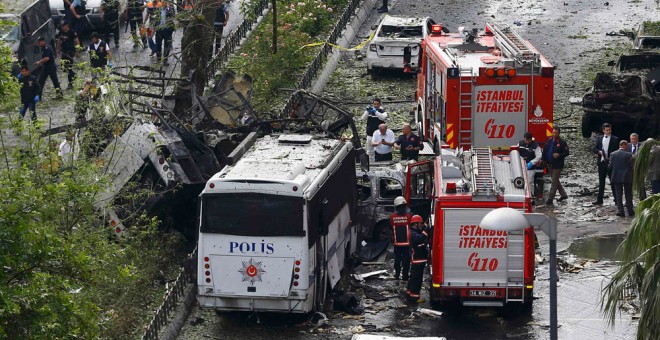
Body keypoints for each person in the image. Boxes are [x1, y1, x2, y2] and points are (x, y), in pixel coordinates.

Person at [593, 123, 619, 205]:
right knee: (601, 182)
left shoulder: (615, 139)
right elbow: (594, 149)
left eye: (609, 130)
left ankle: (616, 199)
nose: (608, 131)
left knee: (613, 181)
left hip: (611, 163)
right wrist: (599, 152)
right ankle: (599, 199)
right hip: (601, 162)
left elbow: (617, 150)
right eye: (606, 130)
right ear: (603, 130)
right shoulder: (599, 138)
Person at [543, 127, 569, 206]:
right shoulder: (549, 140)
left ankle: (550, 198)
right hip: (550, 163)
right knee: (555, 180)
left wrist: (559, 155)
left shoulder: (562, 142)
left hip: (558, 165)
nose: (554, 134)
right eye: (553, 132)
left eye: (556, 133)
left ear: (559, 133)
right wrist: (543, 160)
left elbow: (567, 153)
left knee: (554, 182)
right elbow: (545, 150)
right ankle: (563, 194)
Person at [406, 215, 428, 303]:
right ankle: (414, 298)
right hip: (417, 259)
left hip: (418, 259)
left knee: (413, 278)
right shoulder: (413, 233)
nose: (421, 225)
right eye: (420, 223)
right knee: (417, 279)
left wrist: (425, 227)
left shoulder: (414, 231)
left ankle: (409, 293)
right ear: (415, 224)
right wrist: (426, 231)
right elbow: (419, 238)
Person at [609, 140, 634, 217]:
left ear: (619, 146)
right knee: (628, 194)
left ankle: (620, 211)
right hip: (627, 176)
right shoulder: (629, 155)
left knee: (618, 194)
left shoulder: (613, 154)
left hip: (616, 176)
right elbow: (632, 166)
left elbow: (610, 167)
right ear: (625, 145)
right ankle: (630, 210)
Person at [390, 196, 411, 282]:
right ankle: (405, 277)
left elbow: (390, 229)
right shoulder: (409, 216)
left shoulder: (392, 217)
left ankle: (397, 275)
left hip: (397, 244)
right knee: (406, 261)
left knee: (397, 260)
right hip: (407, 244)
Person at [56, 21, 80, 89]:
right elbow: (59, 41)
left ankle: (70, 83)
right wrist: (57, 49)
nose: (62, 27)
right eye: (62, 26)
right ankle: (74, 75)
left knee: (69, 67)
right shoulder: (61, 32)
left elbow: (77, 41)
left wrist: (78, 51)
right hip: (64, 51)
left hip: (70, 51)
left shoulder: (72, 32)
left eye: (63, 26)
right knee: (63, 67)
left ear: (67, 25)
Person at [154, 0, 175, 65]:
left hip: (167, 30)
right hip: (159, 30)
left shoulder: (171, 9)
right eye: (163, 2)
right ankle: (158, 59)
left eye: (165, 2)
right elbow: (155, 19)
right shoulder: (158, 9)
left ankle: (165, 60)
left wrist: (168, 8)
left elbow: (173, 16)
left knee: (167, 45)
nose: (164, 3)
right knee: (158, 45)